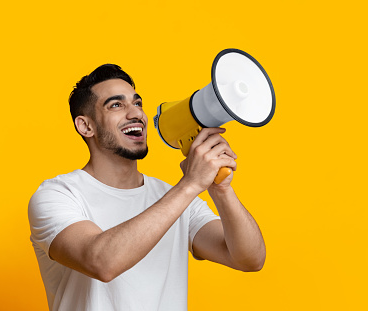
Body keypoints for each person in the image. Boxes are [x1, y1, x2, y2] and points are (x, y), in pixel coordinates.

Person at [28, 64, 266, 311]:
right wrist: (191, 184)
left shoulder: (175, 198)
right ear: (86, 126)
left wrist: (221, 190)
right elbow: (101, 262)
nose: (136, 114)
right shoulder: (57, 195)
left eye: (138, 103)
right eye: (116, 105)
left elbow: (250, 259)